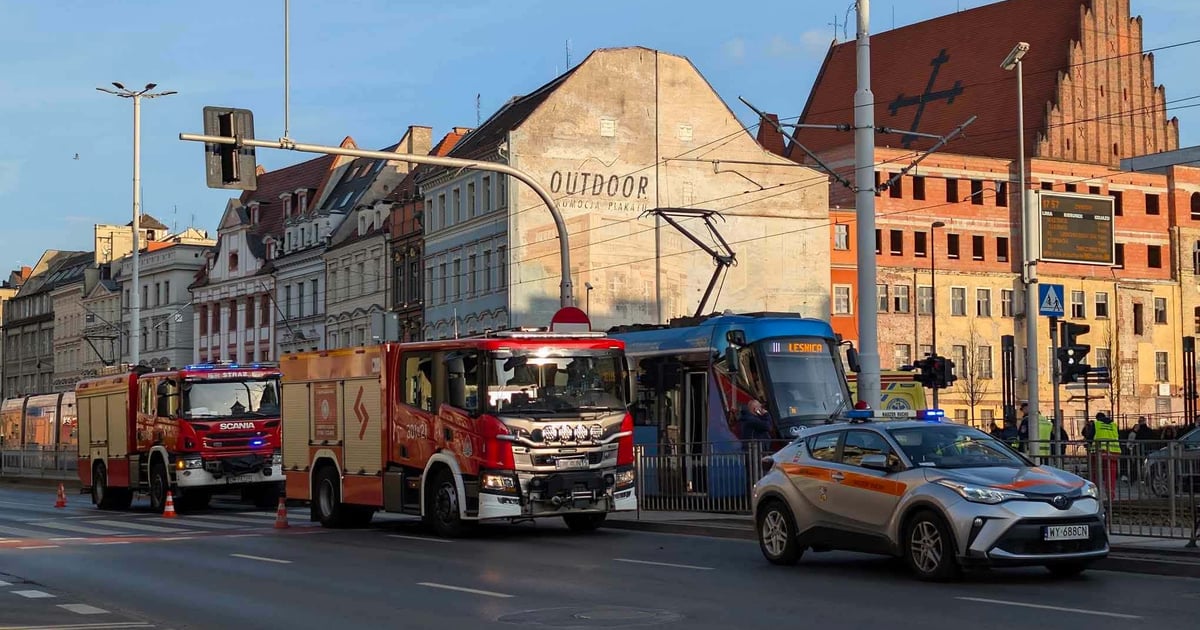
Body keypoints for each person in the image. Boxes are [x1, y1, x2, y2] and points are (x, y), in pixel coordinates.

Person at [1092, 412, 1121, 500]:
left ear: (1097, 418)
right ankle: (1111, 497)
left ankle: (1095, 496)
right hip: (1113, 453)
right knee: (1110, 476)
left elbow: (1090, 436)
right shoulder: (1114, 425)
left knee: (1095, 475)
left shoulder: (1096, 424)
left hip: (1099, 452)